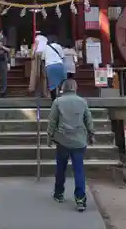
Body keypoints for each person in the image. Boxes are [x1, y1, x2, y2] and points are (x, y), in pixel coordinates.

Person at [47, 79, 95, 212]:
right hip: (79, 140)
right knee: (78, 169)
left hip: (62, 139)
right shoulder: (82, 101)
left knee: (60, 168)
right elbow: (88, 120)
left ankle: (59, 193)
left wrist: (49, 137)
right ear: (75, 88)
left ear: (63, 88)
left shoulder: (58, 102)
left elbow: (52, 121)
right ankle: (80, 199)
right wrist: (91, 134)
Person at [44, 35, 65, 102]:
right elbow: (62, 56)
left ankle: (54, 100)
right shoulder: (58, 46)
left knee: (52, 84)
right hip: (59, 65)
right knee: (62, 81)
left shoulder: (45, 47)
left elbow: (43, 58)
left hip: (49, 66)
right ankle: (62, 97)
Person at [29, 30, 48, 96]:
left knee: (35, 72)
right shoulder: (46, 38)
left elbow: (35, 46)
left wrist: (32, 54)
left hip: (38, 53)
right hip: (44, 54)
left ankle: (33, 88)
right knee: (44, 74)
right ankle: (45, 91)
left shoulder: (37, 38)